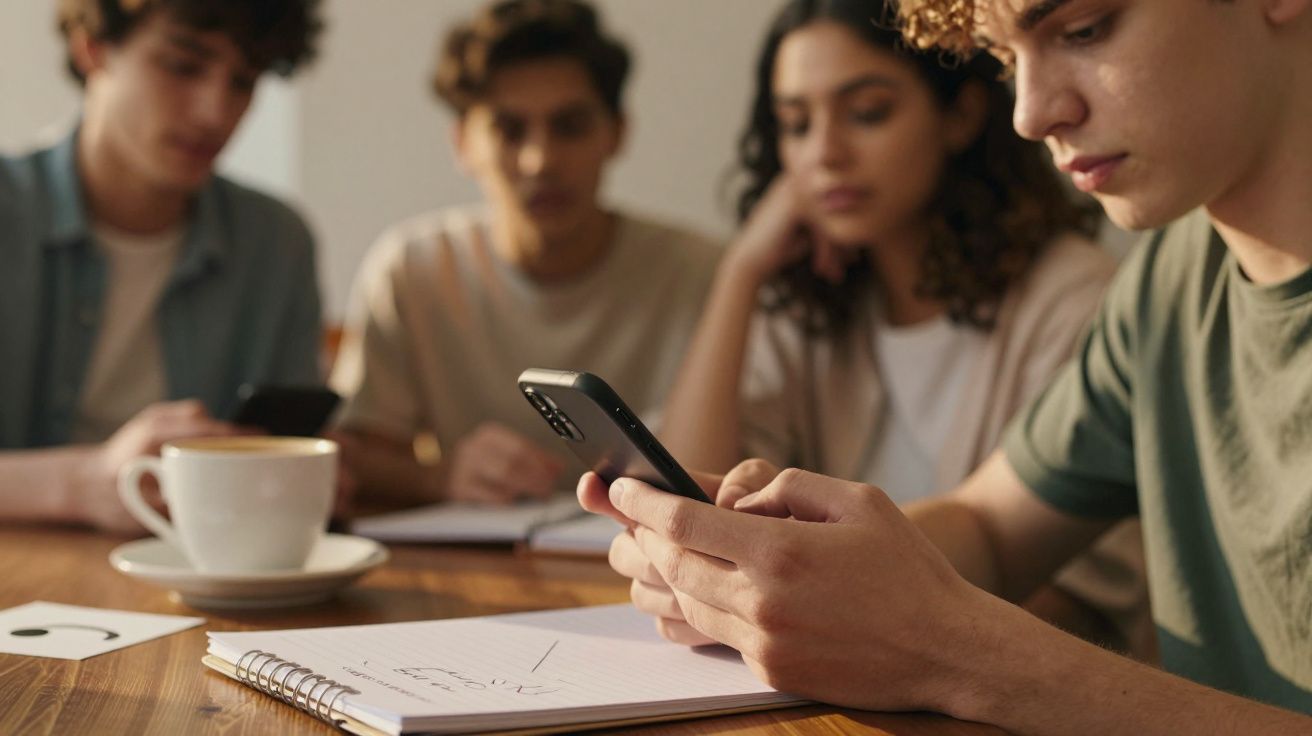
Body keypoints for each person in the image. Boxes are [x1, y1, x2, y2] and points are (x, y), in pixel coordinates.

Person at [579, 0, 1312, 730]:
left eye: (1084, 30)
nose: (1029, 114)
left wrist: (950, 649)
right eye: (1003, 58)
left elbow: (998, 607)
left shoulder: (1095, 287)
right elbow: (990, 527)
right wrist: (776, 567)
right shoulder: (1171, 279)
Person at [656, 0, 1147, 655]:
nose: (825, 153)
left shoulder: (1074, 300)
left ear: (962, 116)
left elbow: (1086, 605)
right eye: (797, 124)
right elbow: (685, 508)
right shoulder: (811, 307)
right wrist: (740, 273)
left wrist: (854, 618)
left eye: (866, 113)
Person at [330, 0, 721, 507]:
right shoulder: (413, 270)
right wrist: (441, 477)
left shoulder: (704, 273)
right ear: (463, 145)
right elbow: (355, 460)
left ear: (617, 132)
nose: (541, 160)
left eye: (571, 125)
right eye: (509, 130)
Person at [0, 0, 325, 533]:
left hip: (207, 581)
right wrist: (82, 482)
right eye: (182, 66)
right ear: (94, 48)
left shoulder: (275, 243)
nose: (214, 112)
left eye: (243, 82)